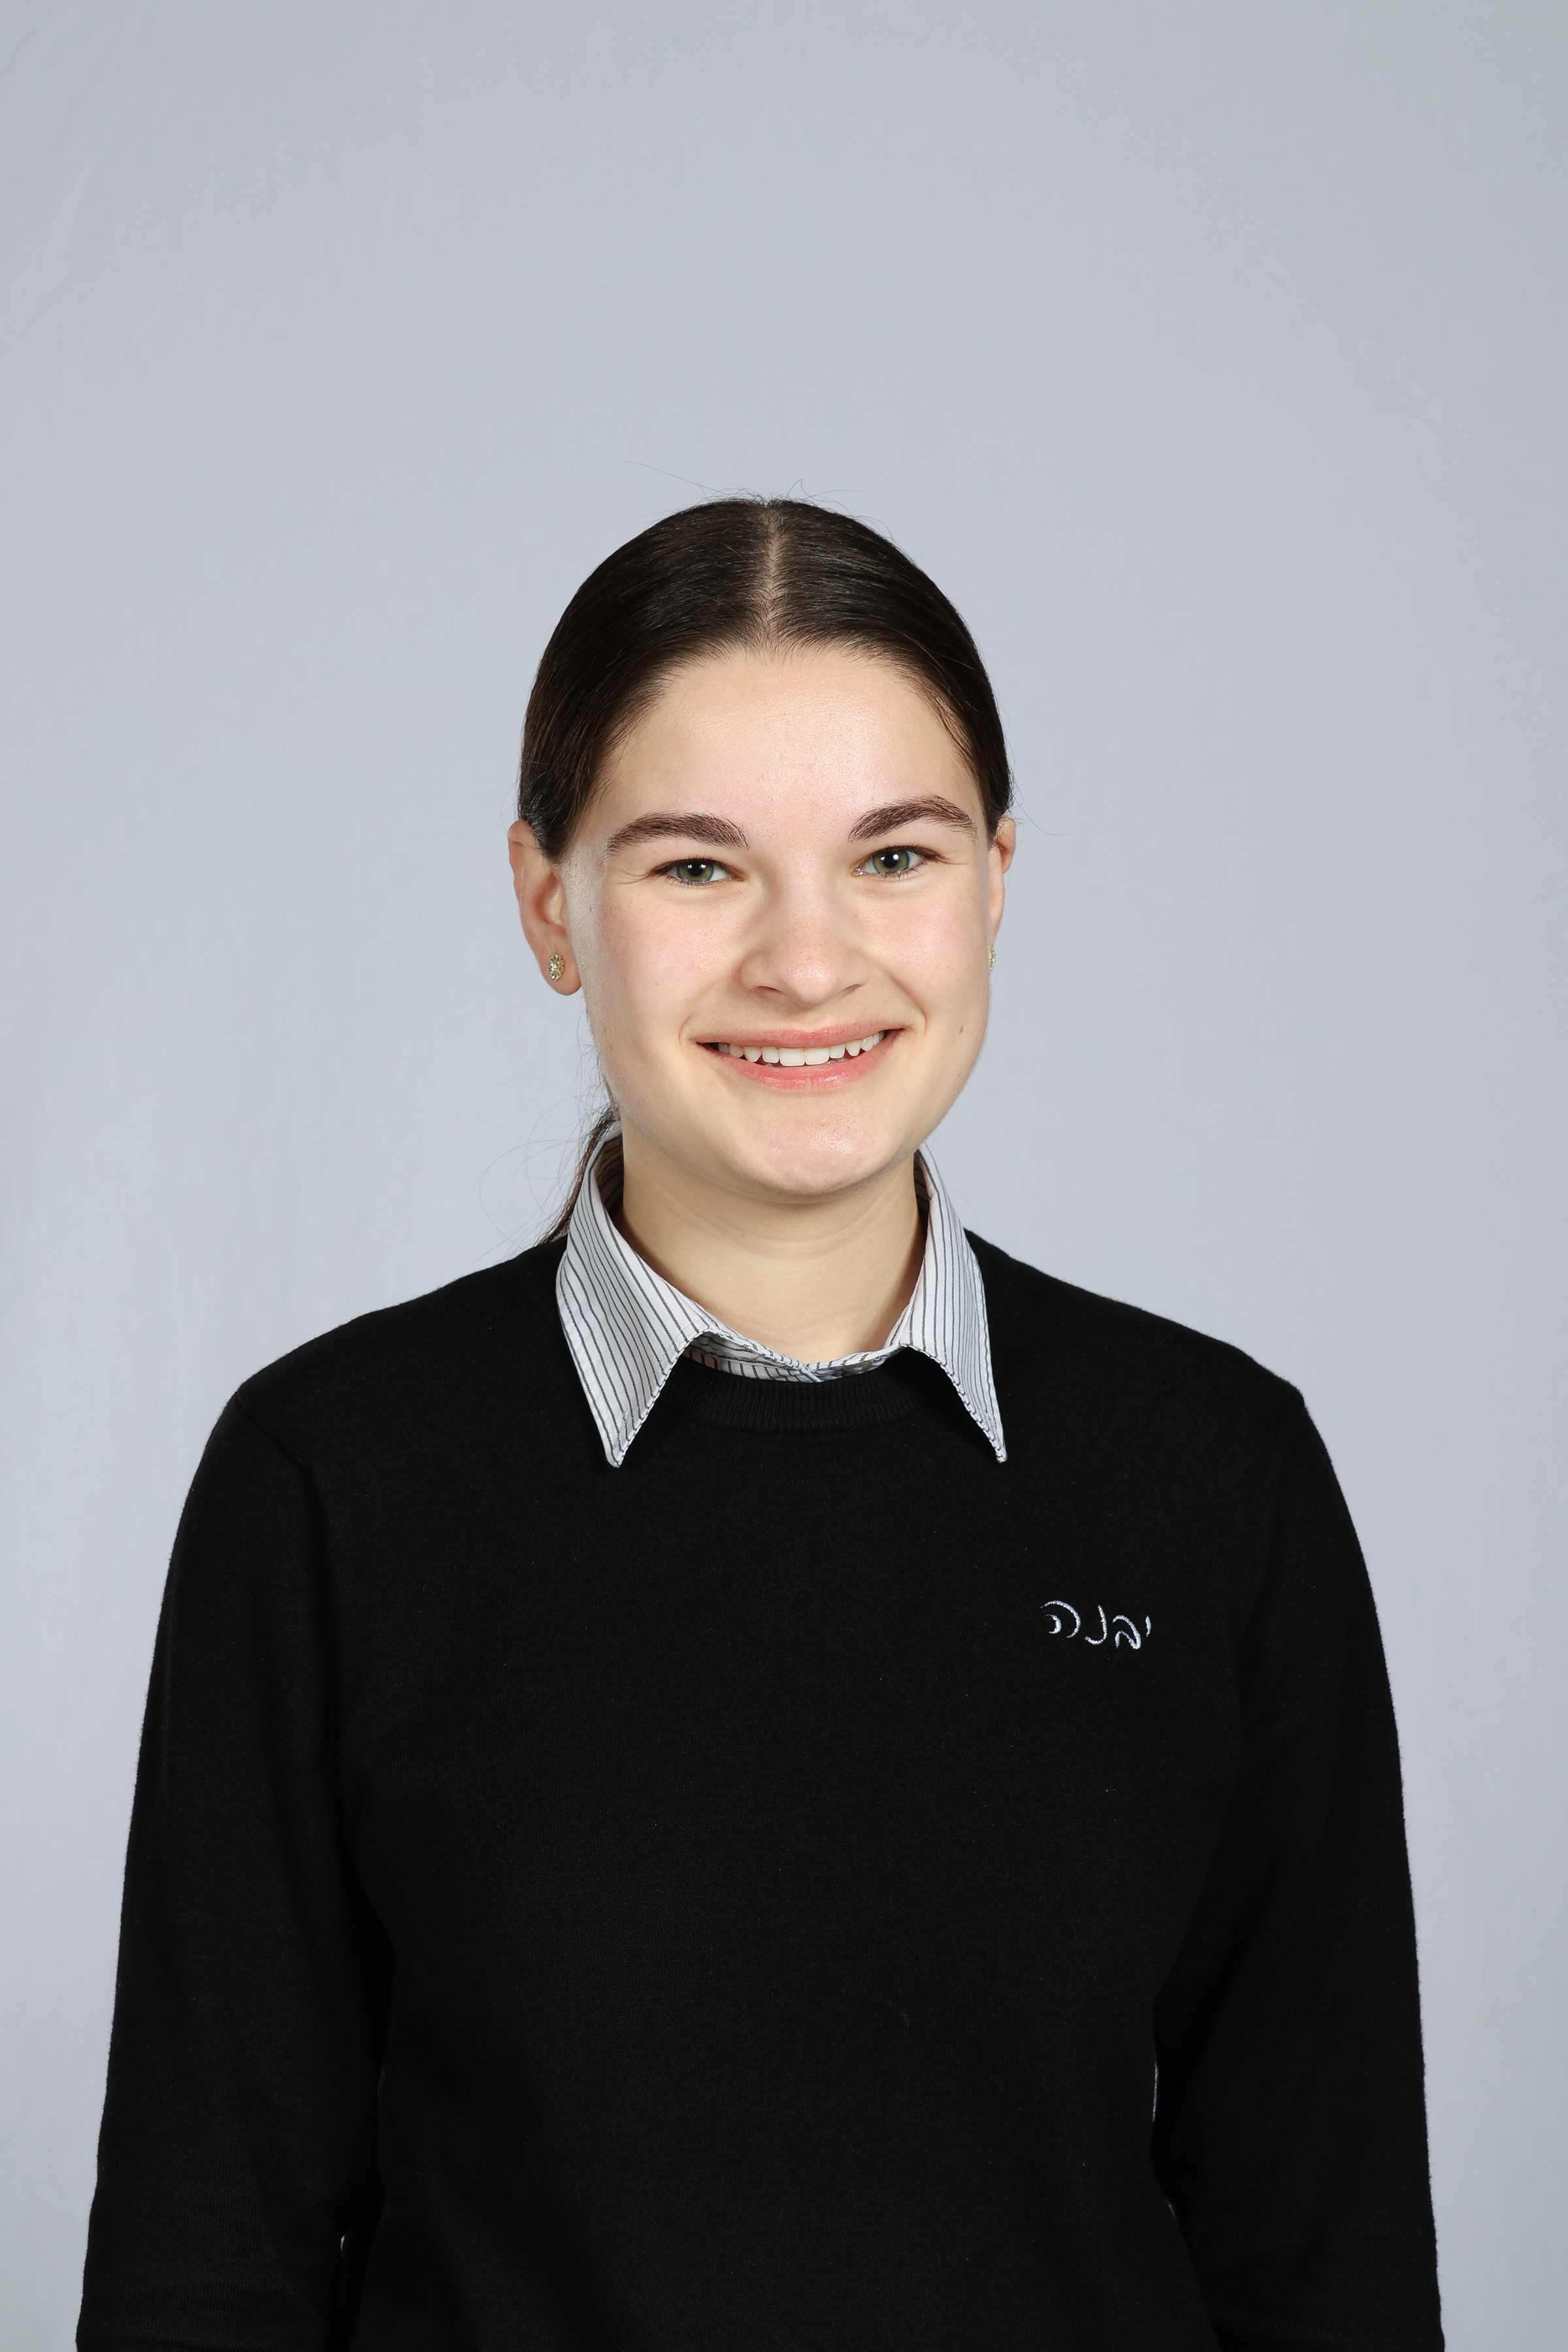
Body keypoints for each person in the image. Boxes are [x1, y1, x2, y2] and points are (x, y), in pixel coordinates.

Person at [78, 498, 1444, 2352]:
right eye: (698, 867)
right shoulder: (329, 1480)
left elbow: (1327, 2262)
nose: (810, 962)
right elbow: (206, 2259)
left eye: (894, 854)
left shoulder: (1214, 1478)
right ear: (550, 905)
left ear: (996, 880)